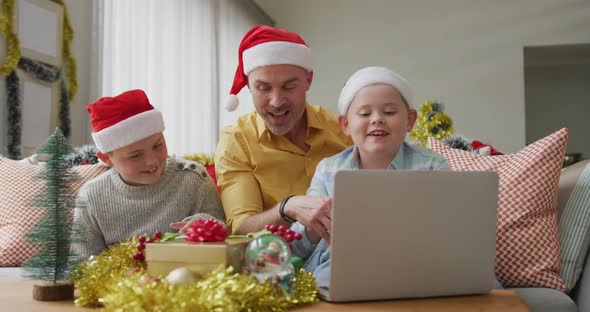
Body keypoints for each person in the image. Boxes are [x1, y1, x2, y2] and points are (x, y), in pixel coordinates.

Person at [290, 66, 450, 287]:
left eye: (389, 112)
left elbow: (448, 233)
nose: (377, 119)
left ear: (410, 120)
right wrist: (313, 224)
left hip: (414, 266)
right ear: (345, 124)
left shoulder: (432, 165)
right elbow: (297, 246)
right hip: (341, 269)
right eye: (365, 114)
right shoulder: (328, 170)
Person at [215, 25, 351, 238]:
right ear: (249, 86)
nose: (276, 102)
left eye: (288, 87)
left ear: (308, 80)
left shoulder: (344, 130)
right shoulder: (237, 141)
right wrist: (286, 207)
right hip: (274, 262)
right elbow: (241, 227)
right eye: (263, 88)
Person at [72, 89, 225, 260]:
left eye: (158, 145)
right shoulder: (91, 197)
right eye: (136, 155)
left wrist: (209, 225)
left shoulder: (194, 178)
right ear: (106, 158)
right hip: (119, 283)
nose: (152, 161)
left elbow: (227, 234)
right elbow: (82, 265)